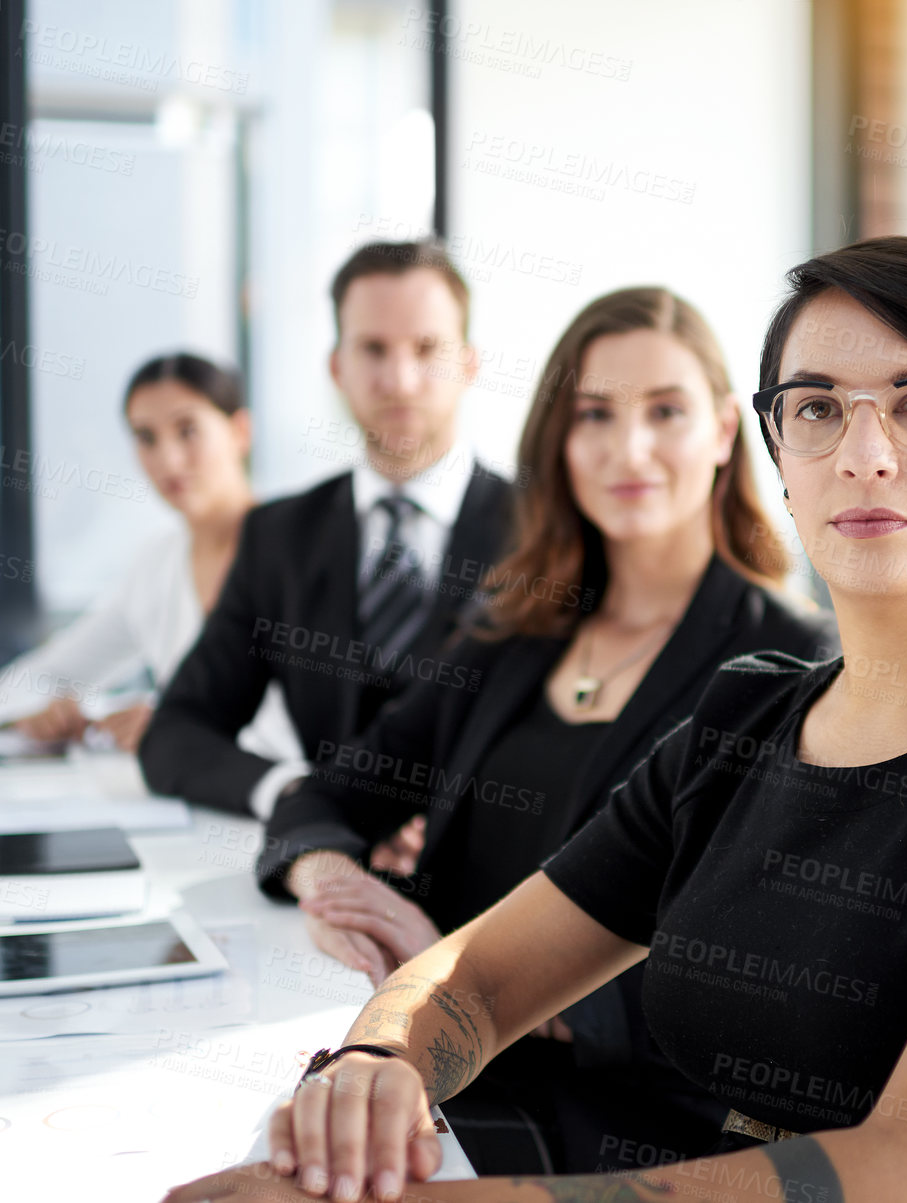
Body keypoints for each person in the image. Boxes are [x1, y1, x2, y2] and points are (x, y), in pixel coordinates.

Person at [166, 236, 907, 1203]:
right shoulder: (747, 716)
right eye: (815, 407)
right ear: (775, 450)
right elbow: (476, 975)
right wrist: (376, 1069)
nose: (862, 452)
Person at [252, 286, 837, 1175]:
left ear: (723, 431)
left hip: (629, 1127)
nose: (626, 449)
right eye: (594, 414)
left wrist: (478, 979)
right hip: (446, 1066)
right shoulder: (514, 630)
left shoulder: (787, 657)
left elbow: (773, 966)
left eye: (666, 412)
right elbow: (330, 791)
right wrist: (327, 873)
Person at [138, 242, 515, 826]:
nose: (400, 379)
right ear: (337, 367)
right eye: (373, 349)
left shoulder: (542, 532)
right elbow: (175, 734)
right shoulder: (280, 536)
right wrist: (293, 793)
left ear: (468, 363)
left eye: (426, 348)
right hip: (323, 873)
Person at [0, 353, 300, 763]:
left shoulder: (302, 548)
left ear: (240, 431)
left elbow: (319, 723)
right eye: (146, 438)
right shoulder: (158, 566)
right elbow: (33, 680)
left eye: (188, 430)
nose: (169, 460)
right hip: (189, 814)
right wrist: (46, 713)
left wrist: (176, 725)